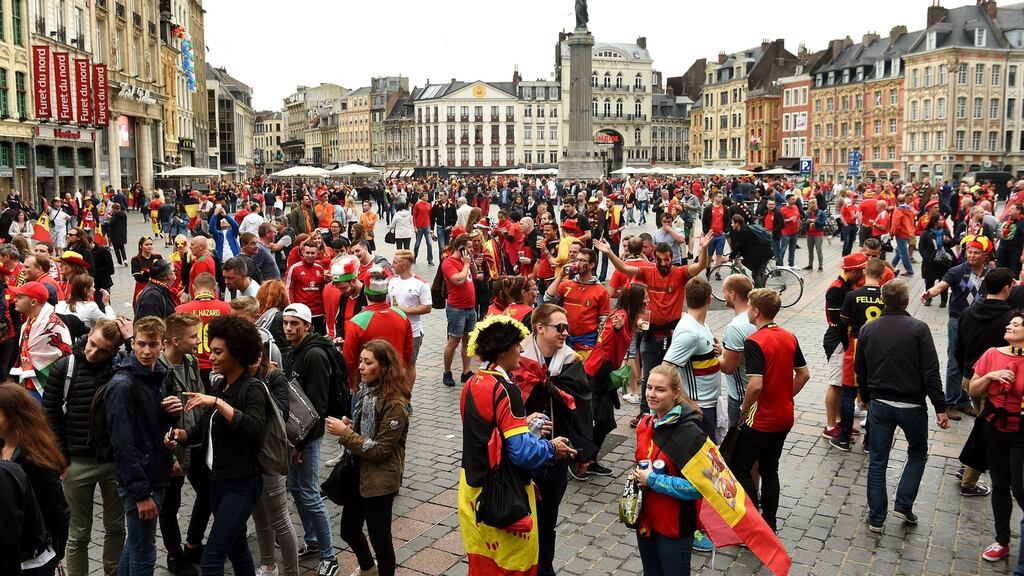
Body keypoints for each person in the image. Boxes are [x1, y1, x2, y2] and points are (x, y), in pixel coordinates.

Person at [458, 315, 576, 576]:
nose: (522, 350)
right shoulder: (506, 389)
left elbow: (488, 433)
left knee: (483, 566)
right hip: (502, 496)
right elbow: (521, 453)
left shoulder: (471, 384)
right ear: (502, 351)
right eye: (517, 345)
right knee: (515, 568)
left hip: (470, 493)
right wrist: (552, 448)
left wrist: (523, 422)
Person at [164, 315, 266, 576]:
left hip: (242, 484)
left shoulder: (251, 388)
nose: (212, 357)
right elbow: (202, 430)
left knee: (211, 561)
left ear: (237, 353)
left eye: (218, 352)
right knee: (237, 548)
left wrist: (217, 404)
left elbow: (255, 429)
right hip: (218, 483)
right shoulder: (223, 386)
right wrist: (179, 434)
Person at [856, 280, 949, 532]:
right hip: (912, 405)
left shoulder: (868, 329)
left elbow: (860, 369)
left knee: (877, 461)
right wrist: (940, 407)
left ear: (883, 301)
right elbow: (931, 371)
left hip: (880, 403)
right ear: (906, 301)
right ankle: (904, 505)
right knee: (917, 454)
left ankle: (876, 518)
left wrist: (864, 396)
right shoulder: (919, 328)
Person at [41, 318, 131, 576]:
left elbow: (149, 371)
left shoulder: (120, 367)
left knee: (116, 527)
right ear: (89, 334)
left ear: (114, 351)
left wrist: (130, 340)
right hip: (76, 463)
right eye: (93, 344)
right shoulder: (64, 367)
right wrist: (61, 461)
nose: (93, 352)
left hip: (113, 462)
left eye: (103, 350)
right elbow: (50, 416)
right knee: (78, 534)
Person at [595, 233, 712, 426]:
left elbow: (700, 266)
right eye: (660, 260)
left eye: (667, 259)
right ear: (654, 258)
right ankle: (645, 414)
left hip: (673, 336)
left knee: (674, 377)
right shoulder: (648, 272)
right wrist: (609, 253)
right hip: (650, 335)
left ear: (672, 258)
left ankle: (673, 411)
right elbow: (623, 267)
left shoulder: (680, 273)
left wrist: (704, 249)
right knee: (649, 376)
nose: (664, 263)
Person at [106, 316, 184, 576]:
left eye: (152, 344)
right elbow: (122, 444)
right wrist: (141, 495)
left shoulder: (159, 376)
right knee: (144, 552)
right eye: (141, 344)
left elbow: (152, 427)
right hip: (141, 481)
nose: (147, 351)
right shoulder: (122, 384)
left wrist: (171, 416)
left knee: (136, 544)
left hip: (155, 473)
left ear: (162, 344)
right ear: (133, 344)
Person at [727, 288, 809, 533]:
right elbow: (804, 374)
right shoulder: (789, 336)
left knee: (741, 467)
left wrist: (743, 410)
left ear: (756, 311)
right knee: (769, 469)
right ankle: (770, 522)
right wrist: (785, 395)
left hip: (760, 419)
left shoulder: (754, 341)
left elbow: (755, 384)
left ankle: (753, 524)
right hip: (784, 417)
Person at [325, 340, 409, 576]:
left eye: (367, 362)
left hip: (379, 481)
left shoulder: (395, 403)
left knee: (380, 540)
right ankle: (368, 568)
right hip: (358, 472)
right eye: (361, 361)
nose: (360, 366)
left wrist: (346, 434)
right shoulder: (366, 392)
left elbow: (381, 450)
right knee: (349, 530)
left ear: (383, 367)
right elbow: (367, 434)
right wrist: (351, 426)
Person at [632, 365, 707, 576]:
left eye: (660, 389)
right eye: (648, 387)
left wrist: (654, 481)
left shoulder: (690, 433)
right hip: (646, 521)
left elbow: (700, 487)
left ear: (676, 394)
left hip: (674, 527)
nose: (652, 394)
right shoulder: (645, 423)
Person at [281, 303, 338, 576]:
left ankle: (330, 556)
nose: (289, 328)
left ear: (307, 325)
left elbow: (317, 406)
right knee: (296, 488)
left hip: (308, 437)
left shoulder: (314, 354)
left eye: (295, 323)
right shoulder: (294, 350)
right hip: (296, 436)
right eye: (286, 323)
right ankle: (313, 541)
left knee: (310, 494)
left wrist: (301, 445)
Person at [156, 314, 211, 576]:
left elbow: (198, 396)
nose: (198, 342)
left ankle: (193, 543)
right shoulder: (157, 368)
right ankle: (174, 554)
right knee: (170, 505)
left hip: (194, 441)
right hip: (172, 448)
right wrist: (169, 455)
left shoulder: (190, 361)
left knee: (208, 493)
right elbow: (153, 417)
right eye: (193, 337)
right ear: (175, 341)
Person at [969, 311, 1024, 565]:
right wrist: (990, 376)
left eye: (1016, 324)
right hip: (994, 428)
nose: (1009, 326)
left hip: (1021, 432)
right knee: (1000, 484)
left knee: (1020, 488)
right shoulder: (992, 353)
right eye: (1010, 323)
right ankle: (1002, 540)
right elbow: (973, 389)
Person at [921, 235, 993, 420]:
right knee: (955, 361)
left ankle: (964, 401)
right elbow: (942, 286)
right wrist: (929, 293)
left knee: (975, 362)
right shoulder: (957, 271)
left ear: (985, 255)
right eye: (969, 252)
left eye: (976, 253)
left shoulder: (990, 273)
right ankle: (950, 402)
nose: (971, 255)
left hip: (981, 322)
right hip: (958, 321)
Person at [0, 382, 69, 576]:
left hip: (31, 559)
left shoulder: (35, 460)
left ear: (14, 417)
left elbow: (58, 511)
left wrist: (57, 552)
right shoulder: (2, 446)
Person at [341, 272, 413, 389]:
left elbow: (348, 359)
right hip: (395, 381)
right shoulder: (401, 316)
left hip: (367, 385)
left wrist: (352, 384)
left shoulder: (357, 322)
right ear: (386, 292)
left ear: (365, 293)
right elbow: (408, 351)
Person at [10, 281, 72, 402]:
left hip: (44, 388)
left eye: (20, 297)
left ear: (33, 302)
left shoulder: (50, 327)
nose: (14, 300)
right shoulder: (29, 323)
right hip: (29, 384)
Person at [544, 247, 609, 353]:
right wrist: (560, 276)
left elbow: (603, 321)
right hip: (564, 340)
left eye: (582, 261)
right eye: (577, 260)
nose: (577, 263)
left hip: (587, 343)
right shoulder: (566, 284)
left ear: (591, 265)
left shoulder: (601, 290)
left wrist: (599, 346)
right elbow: (547, 299)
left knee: (584, 369)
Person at [176, 273, 232, 386]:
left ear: (193, 288)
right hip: (219, 366)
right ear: (214, 289)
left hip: (190, 367)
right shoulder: (227, 308)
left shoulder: (180, 310)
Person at [386, 250, 431, 385]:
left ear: (404, 265)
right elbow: (387, 303)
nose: (392, 264)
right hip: (393, 331)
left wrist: (403, 310)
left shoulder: (421, 283)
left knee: (410, 364)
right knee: (393, 363)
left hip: (413, 332)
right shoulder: (391, 281)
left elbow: (427, 307)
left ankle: (407, 397)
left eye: (395, 262)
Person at [441, 233, 478, 387]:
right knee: (454, 341)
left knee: (468, 342)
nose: (472, 249)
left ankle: (466, 371)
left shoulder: (466, 261)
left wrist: (471, 263)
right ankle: (447, 372)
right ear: (461, 248)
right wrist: (466, 264)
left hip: (470, 308)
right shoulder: (449, 262)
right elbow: (458, 279)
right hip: (457, 309)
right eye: (469, 247)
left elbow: (474, 276)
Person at [285, 240, 329, 335]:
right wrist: (293, 308)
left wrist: (325, 311)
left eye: (313, 253)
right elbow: (289, 290)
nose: (310, 255)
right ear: (303, 253)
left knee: (317, 339)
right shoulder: (295, 269)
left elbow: (323, 291)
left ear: (317, 253)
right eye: (307, 253)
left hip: (318, 313)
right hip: (301, 313)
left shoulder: (320, 269)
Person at [803, 198, 826, 271]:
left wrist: (815, 222)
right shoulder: (808, 213)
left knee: (818, 250)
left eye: (814, 204)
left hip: (818, 233)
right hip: (809, 233)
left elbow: (823, 223)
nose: (812, 206)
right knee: (810, 250)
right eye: (811, 204)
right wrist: (807, 222)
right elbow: (804, 222)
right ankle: (810, 265)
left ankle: (820, 266)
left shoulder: (821, 213)